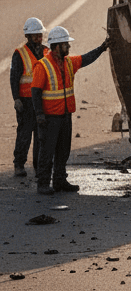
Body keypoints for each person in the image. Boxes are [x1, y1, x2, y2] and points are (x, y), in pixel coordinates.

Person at [31, 26, 108, 196]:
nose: (69, 46)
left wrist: (102, 48)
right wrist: (39, 115)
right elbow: (35, 92)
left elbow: (85, 59)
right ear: (57, 46)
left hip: (65, 115)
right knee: (47, 151)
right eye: (66, 44)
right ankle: (43, 183)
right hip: (50, 117)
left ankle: (59, 181)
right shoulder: (42, 66)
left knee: (63, 150)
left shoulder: (68, 62)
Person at [11, 17, 47, 177]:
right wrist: (16, 99)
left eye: (40, 35)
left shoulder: (46, 52)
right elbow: (14, 78)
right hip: (26, 102)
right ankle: (19, 164)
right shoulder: (19, 54)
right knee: (24, 135)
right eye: (35, 35)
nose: (39, 38)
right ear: (28, 36)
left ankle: (39, 167)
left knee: (41, 136)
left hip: (42, 101)